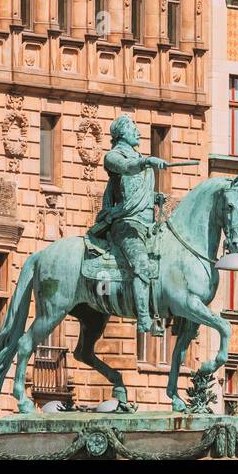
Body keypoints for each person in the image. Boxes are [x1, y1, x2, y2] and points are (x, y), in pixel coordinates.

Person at [90, 115, 168, 334]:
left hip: (148, 224)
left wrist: (154, 198)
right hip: (126, 224)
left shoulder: (139, 157)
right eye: (134, 129)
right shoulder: (113, 157)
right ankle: (144, 319)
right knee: (142, 265)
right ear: (121, 133)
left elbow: (138, 190)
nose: (139, 133)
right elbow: (127, 168)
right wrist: (147, 162)